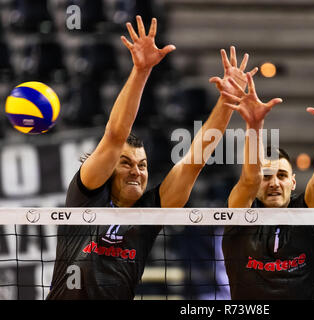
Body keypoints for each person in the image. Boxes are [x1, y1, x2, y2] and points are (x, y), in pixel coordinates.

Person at [46, 16, 257, 300]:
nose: (137, 171)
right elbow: (115, 134)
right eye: (126, 163)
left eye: (143, 165)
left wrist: (226, 103)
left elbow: (195, 160)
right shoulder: (87, 196)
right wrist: (141, 70)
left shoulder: (150, 213)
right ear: (108, 170)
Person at [220, 72, 314, 299]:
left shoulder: (306, 213)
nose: (274, 183)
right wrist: (254, 125)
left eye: (281, 175)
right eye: (267, 176)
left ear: (293, 181)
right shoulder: (242, 212)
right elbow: (250, 178)